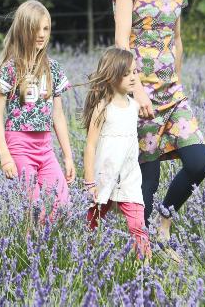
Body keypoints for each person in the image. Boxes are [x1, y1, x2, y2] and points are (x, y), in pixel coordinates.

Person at [111, 0, 205, 244]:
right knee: (148, 183)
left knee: (199, 162)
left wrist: (178, 81)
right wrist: (138, 92)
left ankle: (164, 223)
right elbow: (121, 44)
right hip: (141, 97)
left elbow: (177, 39)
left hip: (173, 95)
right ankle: (140, 251)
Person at [0, 0, 76, 211]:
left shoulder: (53, 68)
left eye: (46, 29)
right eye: (35, 29)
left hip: (45, 147)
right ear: (23, 30)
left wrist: (68, 156)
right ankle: (32, 233)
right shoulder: (11, 68)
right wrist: (5, 156)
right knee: (35, 208)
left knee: (62, 204)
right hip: (19, 145)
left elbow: (58, 115)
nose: (41, 34)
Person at [82, 47, 151, 259]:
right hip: (104, 176)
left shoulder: (134, 107)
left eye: (134, 72)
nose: (133, 77)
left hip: (129, 176)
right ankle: (88, 260)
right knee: (93, 223)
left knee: (137, 225)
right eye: (126, 73)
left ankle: (145, 266)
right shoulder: (102, 107)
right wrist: (89, 182)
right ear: (112, 76)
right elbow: (90, 145)